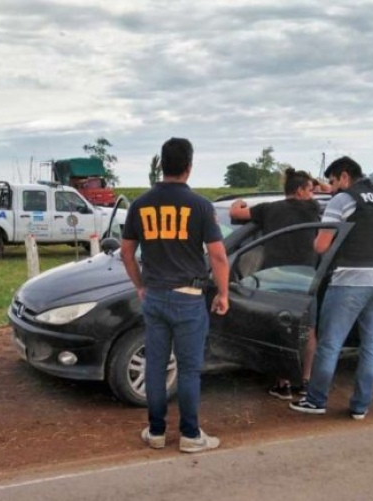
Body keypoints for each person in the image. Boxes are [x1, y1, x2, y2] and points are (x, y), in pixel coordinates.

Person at [120, 137, 229, 453]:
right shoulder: (200, 205)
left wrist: (140, 285)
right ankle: (190, 435)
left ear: (161, 165)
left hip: (154, 296)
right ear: (189, 167)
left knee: (155, 367)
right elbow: (219, 256)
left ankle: (155, 432)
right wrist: (223, 293)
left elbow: (127, 252)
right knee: (189, 369)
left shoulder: (140, 205)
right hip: (189, 297)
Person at [290, 156, 373, 420]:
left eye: (332, 181)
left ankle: (316, 400)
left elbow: (321, 246)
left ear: (344, 176)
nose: (332, 188)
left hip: (349, 280)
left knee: (330, 343)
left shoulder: (344, 199)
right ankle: (361, 406)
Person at [229, 168, 320, 400]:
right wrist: (317, 184)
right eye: (310, 190)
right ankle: (306, 381)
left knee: (282, 330)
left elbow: (235, 213)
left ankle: (283, 383)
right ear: (300, 191)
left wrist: (239, 201)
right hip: (308, 277)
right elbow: (325, 189)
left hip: (276, 277)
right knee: (308, 330)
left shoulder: (269, 209)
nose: (313, 193)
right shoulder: (314, 209)